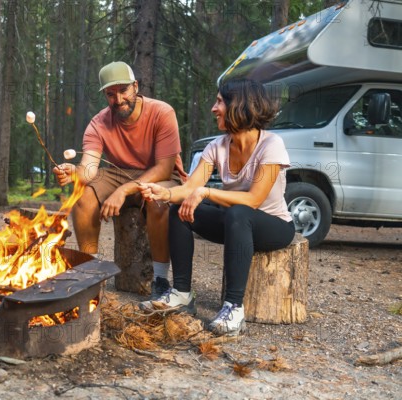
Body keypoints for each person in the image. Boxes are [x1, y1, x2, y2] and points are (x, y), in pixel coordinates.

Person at [138, 78, 296, 336]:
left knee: (239, 212)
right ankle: (181, 293)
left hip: (274, 225)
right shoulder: (217, 147)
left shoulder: (271, 144)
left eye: (220, 101)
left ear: (240, 105)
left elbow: (254, 200)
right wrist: (165, 192)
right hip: (235, 224)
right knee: (179, 210)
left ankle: (234, 308)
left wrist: (207, 192)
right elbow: (189, 189)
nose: (214, 108)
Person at [53, 61, 187, 299]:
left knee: (156, 199)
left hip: (160, 175)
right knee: (82, 194)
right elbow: (89, 169)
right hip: (119, 173)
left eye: (123, 90)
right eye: (110, 94)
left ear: (135, 86)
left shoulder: (162, 112)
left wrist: (124, 190)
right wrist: (73, 172)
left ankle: (160, 280)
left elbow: (165, 168)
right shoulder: (98, 123)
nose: (118, 99)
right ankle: (90, 272)